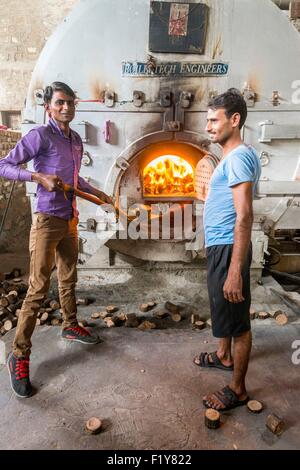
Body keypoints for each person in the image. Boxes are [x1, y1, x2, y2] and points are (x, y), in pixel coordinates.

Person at [0, 81, 113, 398]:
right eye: (60, 103)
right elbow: (4, 165)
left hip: (69, 218)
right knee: (37, 288)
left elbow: (74, 179)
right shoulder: (39, 136)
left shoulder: (75, 140)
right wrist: (36, 176)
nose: (67, 108)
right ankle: (19, 356)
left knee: (69, 277)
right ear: (48, 106)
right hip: (47, 220)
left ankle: (70, 324)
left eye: (71, 103)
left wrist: (97, 193)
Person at [193, 88, 261, 411]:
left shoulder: (238, 158)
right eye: (207, 120)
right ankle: (223, 355)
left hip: (229, 248)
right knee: (224, 309)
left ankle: (238, 388)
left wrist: (235, 269)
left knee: (238, 321)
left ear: (235, 120)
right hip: (220, 246)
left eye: (213, 120)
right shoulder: (230, 158)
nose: (208, 126)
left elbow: (245, 215)